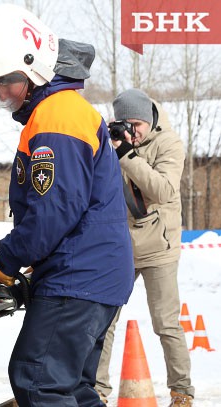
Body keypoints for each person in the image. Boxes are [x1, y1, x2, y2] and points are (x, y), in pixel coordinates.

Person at [0, 5, 134, 406]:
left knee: (38, 381)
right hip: (93, 274)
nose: (1, 93)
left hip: (80, 276)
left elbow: (54, 211)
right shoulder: (59, 112)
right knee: (72, 388)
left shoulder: (57, 118)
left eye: (6, 82)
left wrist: (6, 260)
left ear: (33, 69)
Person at [95, 89, 193, 407]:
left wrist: (126, 155)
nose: (133, 131)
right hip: (121, 246)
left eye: (138, 124)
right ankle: (96, 389)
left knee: (166, 322)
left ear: (150, 120)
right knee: (104, 320)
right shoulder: (112, 143)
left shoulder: (169, 143)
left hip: (159, 247)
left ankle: (182, 392)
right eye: (127, 124)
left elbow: (162, 190)